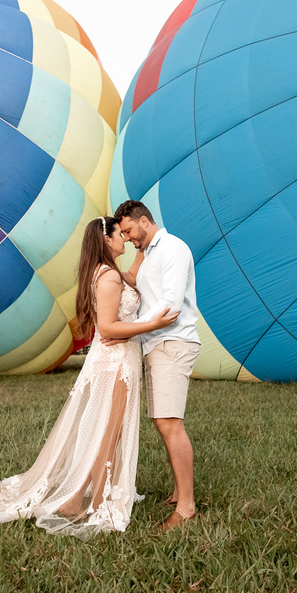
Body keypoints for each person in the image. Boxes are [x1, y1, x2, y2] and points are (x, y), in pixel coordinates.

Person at [0, 216, 178, 538]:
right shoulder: (108, 277)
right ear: (107, 240)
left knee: (108, 429)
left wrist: (142, 244)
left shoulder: (107, 272)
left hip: (117, 359)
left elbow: (133, 277)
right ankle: (89, 500)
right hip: (116, 362)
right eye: (120, 234)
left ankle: (82, 496)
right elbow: (107, 327)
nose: (124, 238)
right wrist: (152, 325)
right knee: (109, 432)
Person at [111, 200, 201, 532]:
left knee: (169, 423)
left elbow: (171, 305)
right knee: (163, 421)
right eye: (122, 234)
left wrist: (128, 329)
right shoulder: (148, 253)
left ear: (145, 221)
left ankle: (187, 508)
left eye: (129, 230)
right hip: (157, 343)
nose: (128, 238)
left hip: (173, 341)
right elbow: (132, 280)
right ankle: (179, 492)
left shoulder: (172, 248)